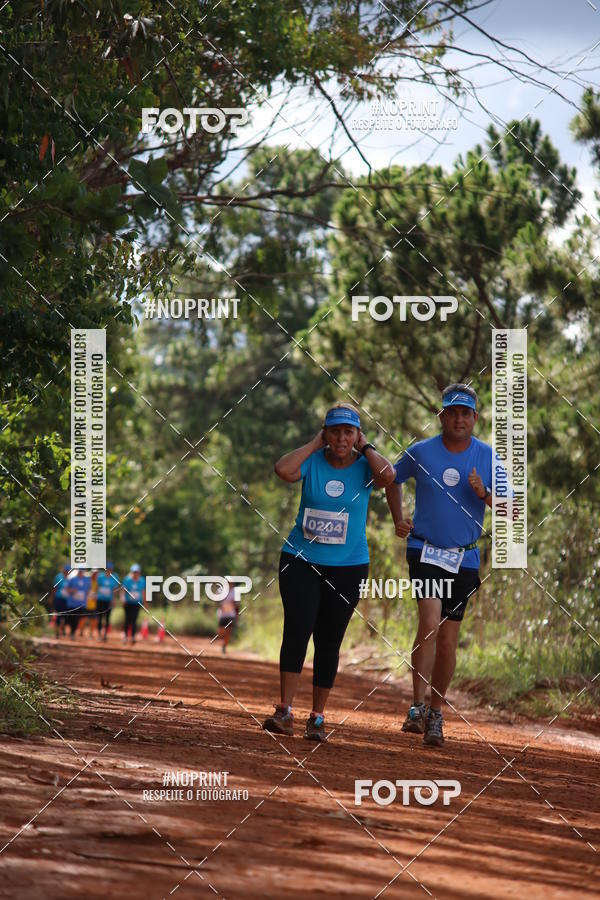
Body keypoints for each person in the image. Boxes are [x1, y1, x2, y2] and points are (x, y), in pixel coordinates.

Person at [262, 403, 395, 742]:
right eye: (334, 431)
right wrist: (313, 444)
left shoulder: (366, 467)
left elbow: (389, 477)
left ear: (357, 435)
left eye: (348, 432)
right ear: (325, 432)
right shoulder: (313, 461)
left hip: (349, 566)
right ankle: (284, 711)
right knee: (298, 628)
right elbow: (283, 470)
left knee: (329, 639)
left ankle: (317, 717)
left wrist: (366, 447)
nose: (341, 438)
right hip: (300, 560)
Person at [386, 383, 500, 748]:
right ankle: (417, 706)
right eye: (452, 412)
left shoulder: (487, 456)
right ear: (442, 416)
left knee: (449, 639)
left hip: (464, 556)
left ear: (475, 418)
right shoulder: (421, 451)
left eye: (466, 413)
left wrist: (483, 493)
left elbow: (511, 508)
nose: (459, 419)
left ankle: (436, 711)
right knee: (429, 622)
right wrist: (398, 518)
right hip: (425, 550)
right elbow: (391, 477)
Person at [121, 564, 146, 645]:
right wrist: (123, 599)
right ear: (132, 572)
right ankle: (125, 636)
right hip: (128, 603)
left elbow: (143, 591)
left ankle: (133, 636)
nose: (136, 573)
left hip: (137, 603)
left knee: (134, 620)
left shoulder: (142, 580)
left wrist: (145, 602)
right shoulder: (127, 580)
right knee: (127, 620)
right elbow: (123, 591)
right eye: (134, 572)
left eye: (137, 572)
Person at [65, 568, 91, 639]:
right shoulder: (72, 579)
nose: (81, 572)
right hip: (72, 603)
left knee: (78, 618)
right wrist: (73, 590)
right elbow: (67, 589)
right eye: (80, 571)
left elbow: (88, 590)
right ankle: (71, 631)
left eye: (82, 571)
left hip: (81, 604)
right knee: (71, 618)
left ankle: (73, 632)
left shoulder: (87, 580)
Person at [96, 562, 119, 641]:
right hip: (100, 600)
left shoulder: (115, 577)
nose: (109, 571)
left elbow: (115, 590)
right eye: (108, 569)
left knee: (107, 618)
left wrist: (114, 600)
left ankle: (105, 634)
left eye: (110, 569)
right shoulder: (100, 577)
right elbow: (97, 587)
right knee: (99, 617)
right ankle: (99, 634)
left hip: (109, 601)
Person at [217, 581, 239, 654]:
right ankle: (223, 642)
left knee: (228, 632)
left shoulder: (235, 592)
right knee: (221, 632)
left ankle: (224, 646)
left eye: (230, 583)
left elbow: (237, 604)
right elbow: (218, 602)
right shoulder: (220, 591)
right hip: (222, 615)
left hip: (231, 615)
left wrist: (237, 614)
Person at [50, 564, 70, 637]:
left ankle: (63, 628)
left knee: (65, 615)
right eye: (66, 570)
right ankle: (57, 631)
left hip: (67, 600)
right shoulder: (58, 577)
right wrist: (52, 598)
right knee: (58, 615)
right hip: (58, 599)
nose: (67, 572)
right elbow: (54, 588)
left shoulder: (70, 579)